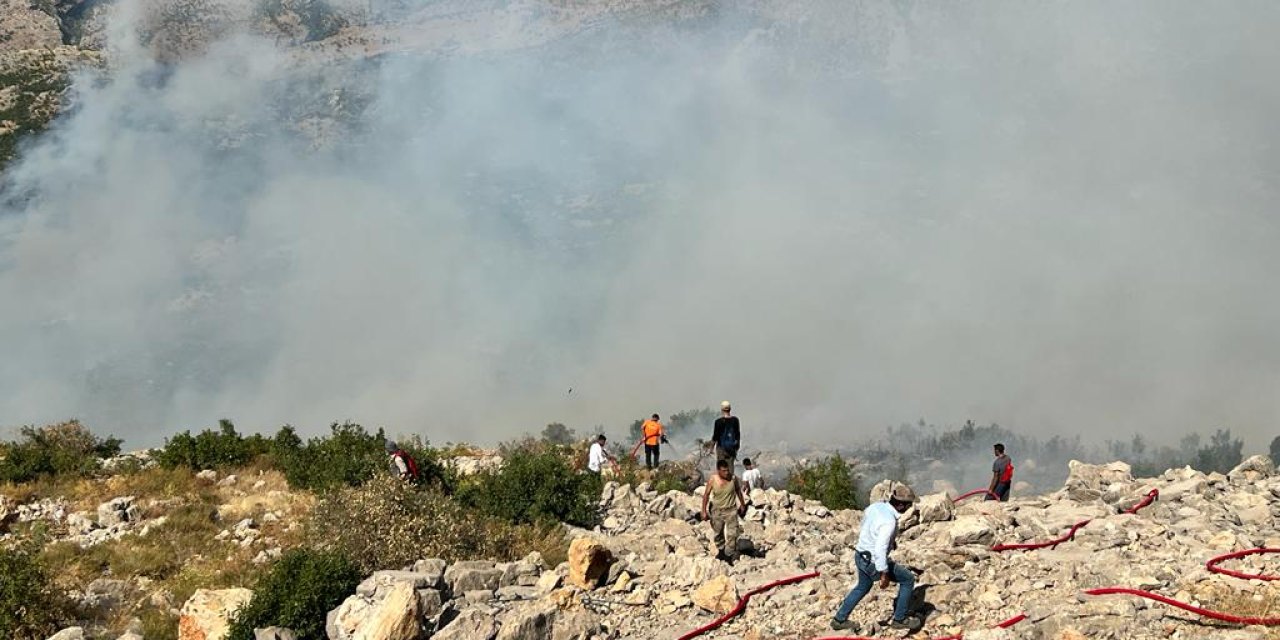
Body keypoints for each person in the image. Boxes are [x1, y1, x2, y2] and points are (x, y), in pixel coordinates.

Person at [830, 483, 922, 633]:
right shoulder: (889, 522)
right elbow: (879, 549)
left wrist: (890, 542)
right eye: (908, 505)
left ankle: (839, 619)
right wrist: (884, 573)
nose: (909, 508)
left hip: (860, 554)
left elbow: (868, 525)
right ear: (900, 505)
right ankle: (900, 619)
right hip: (873, 561)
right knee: (907, 580)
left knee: (862, 587)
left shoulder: (876, 507)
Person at [700, 459, 748, 564]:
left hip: (731, 509)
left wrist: (742, 505)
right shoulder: (713, 480)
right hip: (717, 510)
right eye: (724, 471)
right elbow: (706, 495)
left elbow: (738, 491)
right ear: (718, 471)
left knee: (733, 533)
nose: (726, 473)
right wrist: (703, 511)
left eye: (727, 470)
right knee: (718, 532)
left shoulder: (733, 479)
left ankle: (728, 554)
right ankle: (721, 551)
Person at [709, 400, 741, 470]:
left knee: (721, 468)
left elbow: (715, 436)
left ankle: (722, 480)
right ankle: (731, 479)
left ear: (722, 409)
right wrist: (737, 446)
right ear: (730, 409)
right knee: (730, 467)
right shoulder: (735, 420)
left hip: (721, 449)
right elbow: (737, 434)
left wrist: (711, 448)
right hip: (732, 448)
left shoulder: (718, 422)